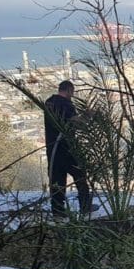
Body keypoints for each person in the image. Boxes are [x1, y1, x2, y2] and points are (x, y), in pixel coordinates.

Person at [44, 80, 91, 217]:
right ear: (70, 90)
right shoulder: (66, 104)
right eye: (72, 92)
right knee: (80, 176)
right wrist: (88, 116)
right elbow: (76, 122)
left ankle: (58, 212)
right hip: (67, 147)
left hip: (52, 148)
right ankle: (85, 207)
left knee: (57, 181)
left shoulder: (49, 102)